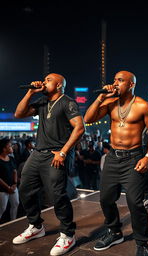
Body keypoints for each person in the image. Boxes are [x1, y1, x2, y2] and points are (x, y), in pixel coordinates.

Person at [84, 70, 148, 256]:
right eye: (114, 79)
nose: (115, 83)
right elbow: (88, 118)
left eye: (120, 80)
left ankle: (142, 243)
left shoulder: (142, 106)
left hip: (134, 158)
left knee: (135, 202)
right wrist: (101, 97)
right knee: (105, 199)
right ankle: (115, 232)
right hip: (113, 158)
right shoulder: (109, 103)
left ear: (131, 84)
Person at [12, 73, 85, 256]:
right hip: (37, 153)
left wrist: (63, 152)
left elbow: (80, 127)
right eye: (44, 80)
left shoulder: (67, 102)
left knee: (57, 195)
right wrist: (30, 93)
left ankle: (68, 235)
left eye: (48, 80)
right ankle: (36, 226)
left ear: (59, 84)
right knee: (25, 188)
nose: (43, 83)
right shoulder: (42, 102)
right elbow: (19, 113)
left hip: (56, 154)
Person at [0, 138, 19, 221]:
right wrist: (7, 187)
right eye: (9, 146)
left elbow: (15, 171)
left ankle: (13, 221)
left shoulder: (11, 158)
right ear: (4, 149)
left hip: (13, 186)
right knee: (2, 208)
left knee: (16, 204)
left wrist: (14, 184)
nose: (12, 147)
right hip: (2, 189)